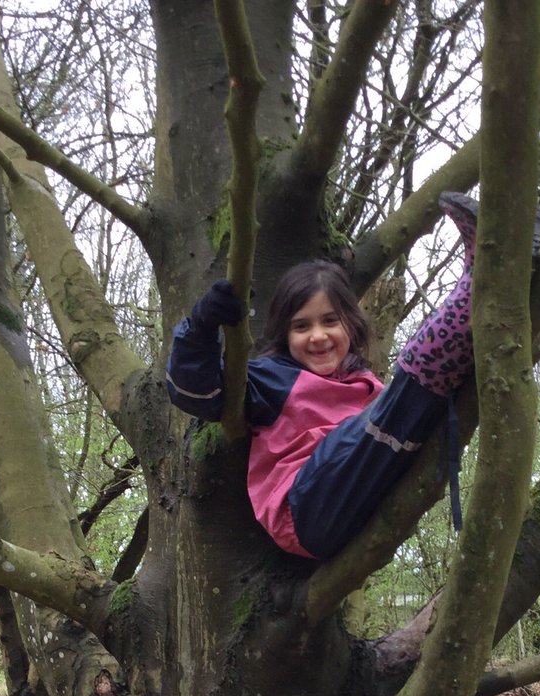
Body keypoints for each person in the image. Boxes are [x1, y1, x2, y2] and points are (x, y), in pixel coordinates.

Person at [166, 192, 483, 559]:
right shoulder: (271, 379)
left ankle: (497, 293)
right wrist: (201, 327)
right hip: (305, 508)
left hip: (364, 511)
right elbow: (196, 393)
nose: (318, 336)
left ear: (351, 324)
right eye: (301, 326)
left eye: (330, 321)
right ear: (285, 336)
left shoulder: (369, 388)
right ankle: (479, 285)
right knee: (405, 394)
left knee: (419, 401)